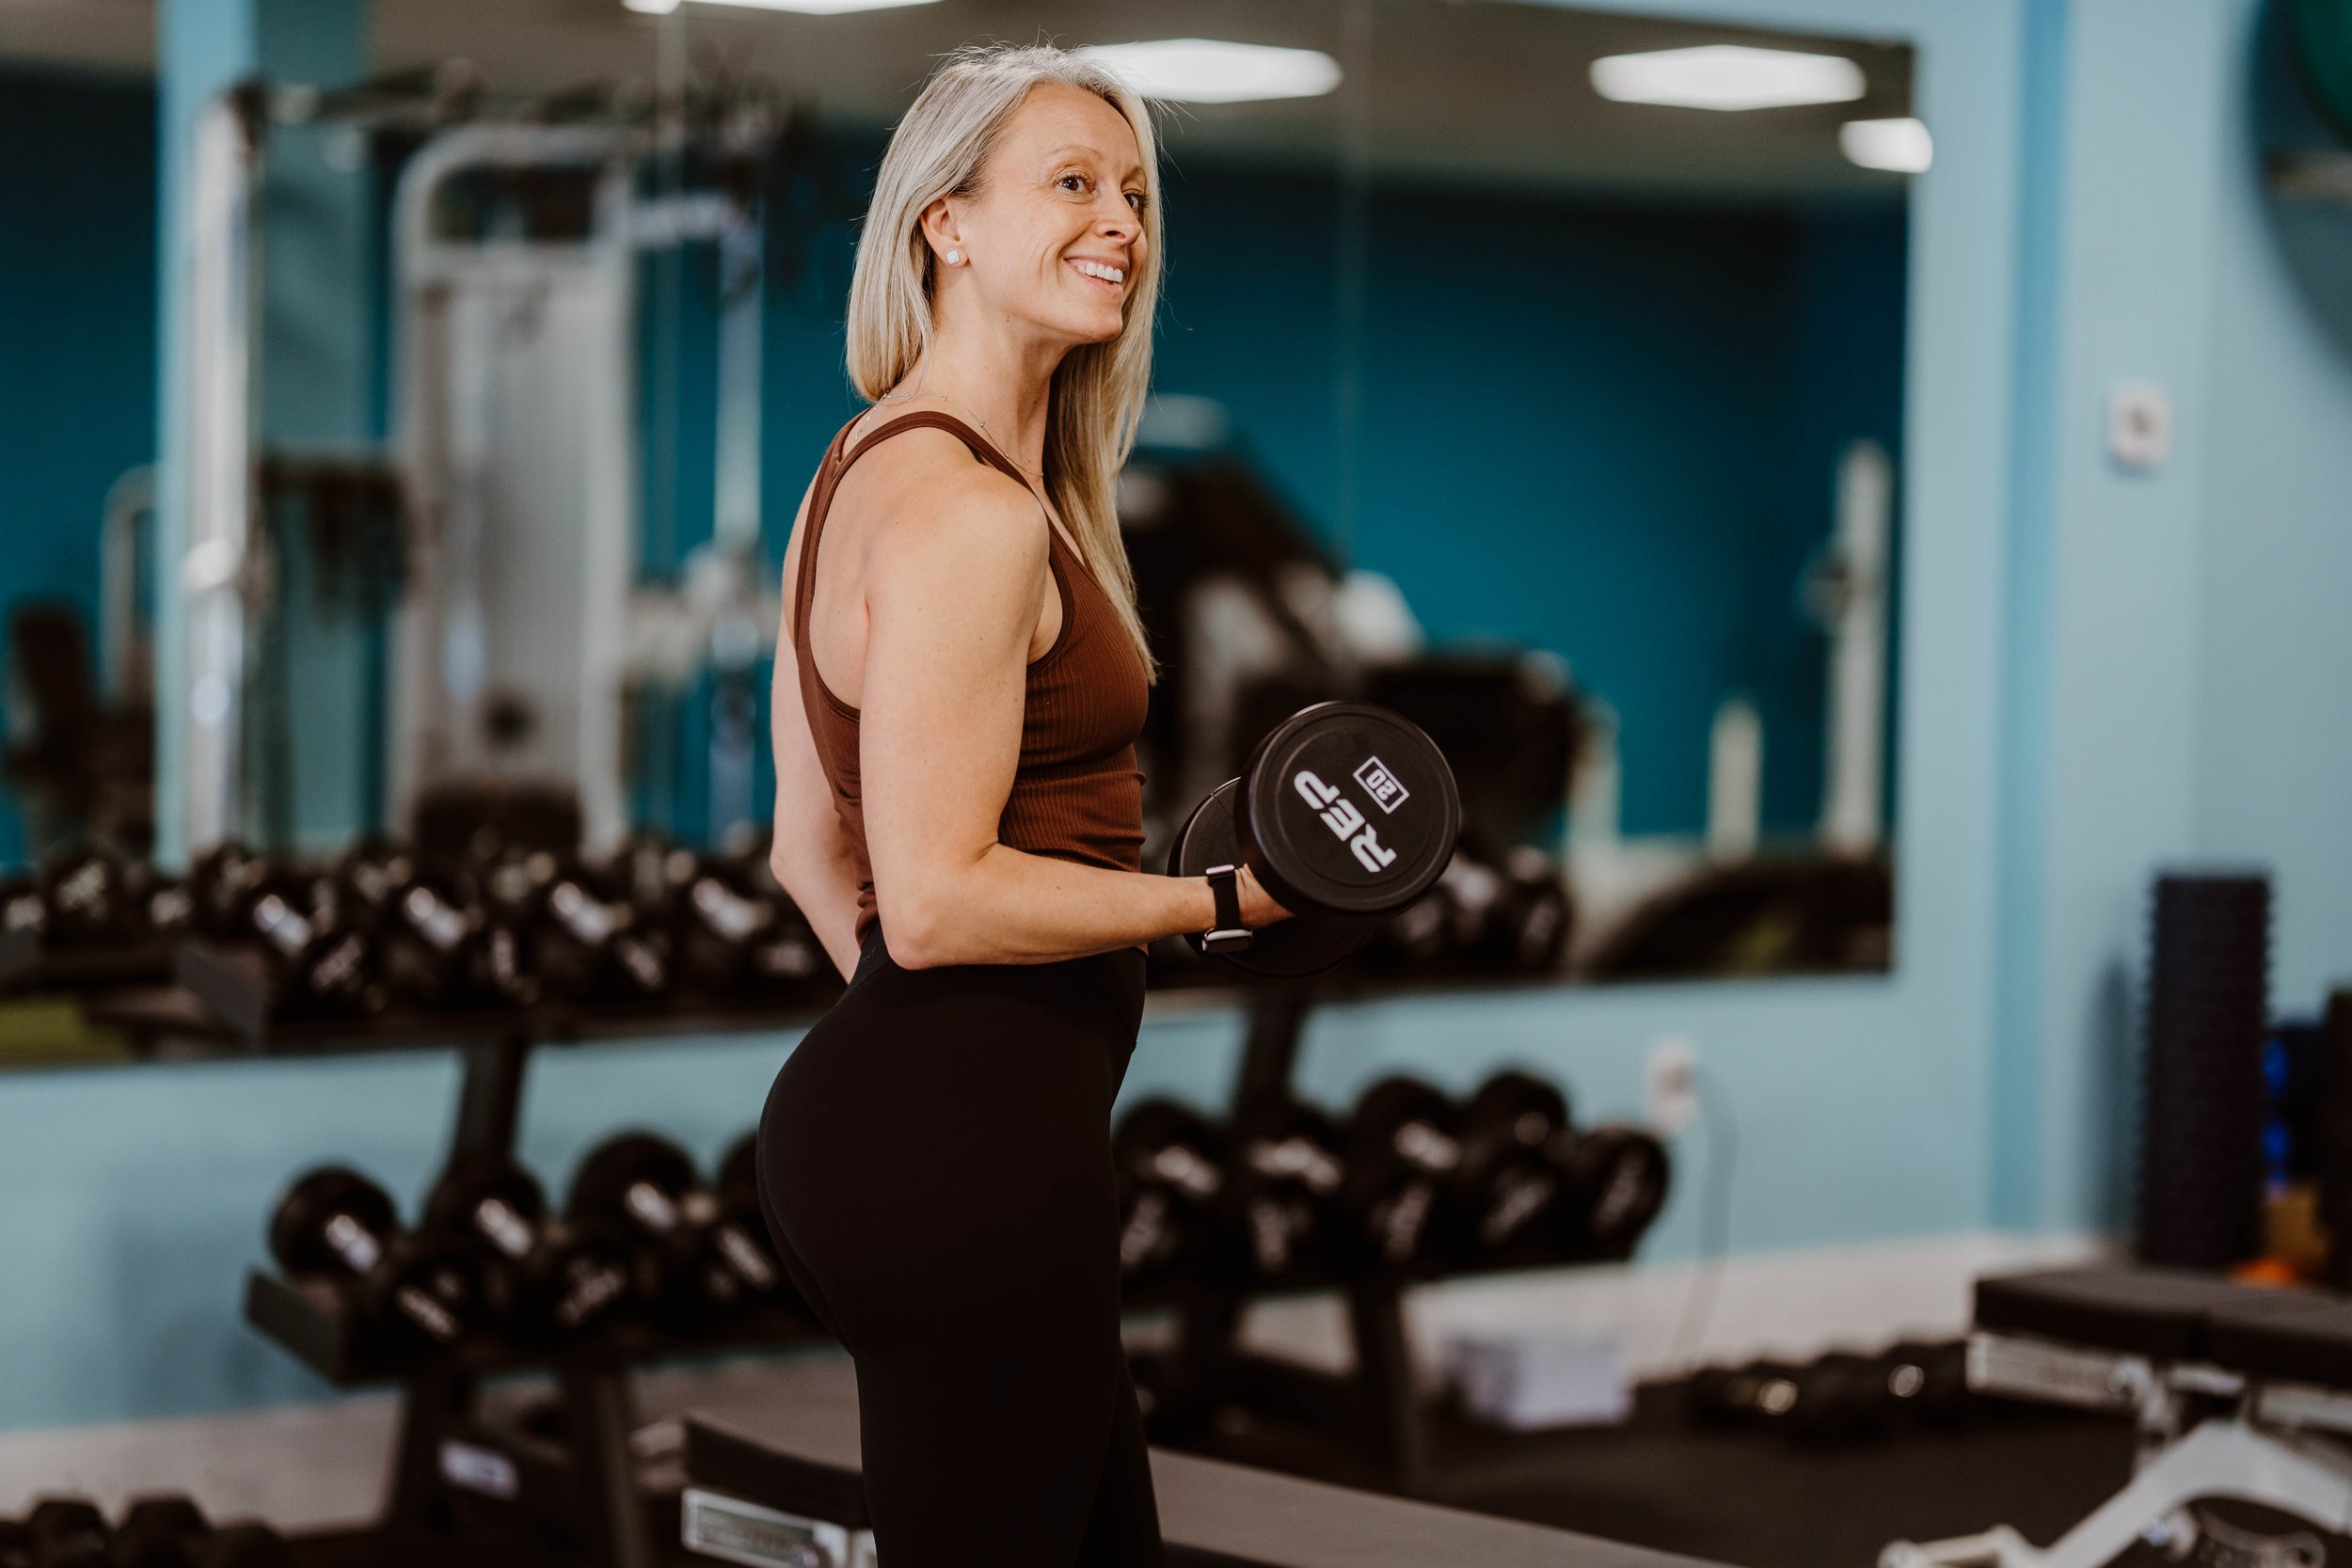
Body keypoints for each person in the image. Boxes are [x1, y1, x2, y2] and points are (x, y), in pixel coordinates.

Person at [754, 41, 1290, 1567]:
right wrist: (1221, 899)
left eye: (1133, 195)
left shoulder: (857, 470)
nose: (1120, 221)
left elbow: (810, 848)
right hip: (965, 1158)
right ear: (948, 223)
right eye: (1070, 183)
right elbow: (932, 899)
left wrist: (918, 1061)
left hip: (947, 1133)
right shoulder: (972, 517)